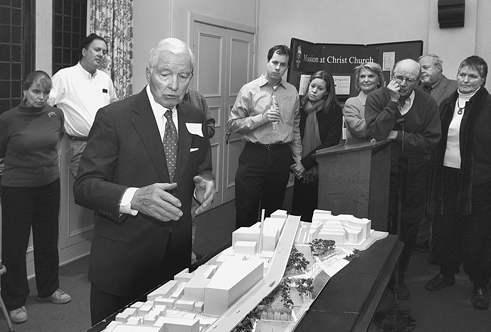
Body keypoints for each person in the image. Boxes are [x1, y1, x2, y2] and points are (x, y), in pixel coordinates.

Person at [73, 38, 215, 325]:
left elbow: (203, 166)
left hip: (175, 259)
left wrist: (207, 181)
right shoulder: (114, 117)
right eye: (165, 74)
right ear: (148, 72)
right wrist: (134, 198)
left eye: (183, 76)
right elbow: (85, 186)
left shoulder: (196, 117)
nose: (174, 84)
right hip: (123, 262)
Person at [365, 59, 441, 301]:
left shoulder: (428, 103)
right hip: (385, 170)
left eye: (410, 80)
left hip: (416, 173)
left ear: (418, 81)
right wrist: (392, 102)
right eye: (399, 78)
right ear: (391, 75)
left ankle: (399, 276)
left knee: (408, 226)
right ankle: (379, 275)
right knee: (382, 223)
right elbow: (376, 132)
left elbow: (431, 140)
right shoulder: (377, 98)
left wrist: (399, 135)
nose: (404, 84)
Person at [0, 71, 71, 324]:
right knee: (14, 247)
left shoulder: (56, 114)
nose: (41, 97)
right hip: (16, 189)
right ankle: (14, 301)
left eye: (45, 92)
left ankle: (49, 288)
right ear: (25, 91)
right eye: (35, 92)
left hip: (49, 186)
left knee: (47, 239)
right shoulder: (8, 119)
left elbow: (57, 141)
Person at [425, 55, 491, 310]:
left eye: (472, 76)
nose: (465, 80)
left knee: (477, 235)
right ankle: (446, 272)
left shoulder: (487, 106)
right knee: (445, 228)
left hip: (478, 182)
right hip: (447, 178)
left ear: (483, 79)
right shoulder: (448, 104)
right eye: (462, 74)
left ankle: (479, 283)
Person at [228, 45, 303, 229]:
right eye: (274, 62)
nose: (278, 68)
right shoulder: (250, 89)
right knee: (246, 209)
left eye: (283, 65)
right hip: (254, 156)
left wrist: (298, 159)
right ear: (267, 62)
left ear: (287, 67)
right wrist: (261, 119)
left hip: (281, 156)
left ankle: (270, 254)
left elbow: (295, 129)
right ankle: (243, 254)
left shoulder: (292, 92)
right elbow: (233, 124)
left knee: (275, 212)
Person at [49, 33, 118, 177]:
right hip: (80, 147)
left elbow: (114, 106)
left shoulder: (105, 79)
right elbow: (45, 104)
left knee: (107, 190)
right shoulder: (64, 76)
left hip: (107, 145)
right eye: (97, 50)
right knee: (88, 191)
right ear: (84, 51)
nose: (101, 55)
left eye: (104, 52)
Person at [414, 54, 458, 256]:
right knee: (422, 199)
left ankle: (439, 247)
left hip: (445, 154)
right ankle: (421, 240)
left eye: (425, 67)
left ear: (439, 68)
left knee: (441, 201)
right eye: (419, 68)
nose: (421, 72)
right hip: (419, 153)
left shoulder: (454, 87)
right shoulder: (416, 90)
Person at [291, 71, 342, 221]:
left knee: (316, 215)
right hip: (299, 168)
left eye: (320, 88)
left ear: (327, 92)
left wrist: (305, 163)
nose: (314, 91)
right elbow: (293, 135)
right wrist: (296, 163)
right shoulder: (300, 106)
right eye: (312, 86)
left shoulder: (334, 110)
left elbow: (331, 142)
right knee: (298, 214)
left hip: (321, 168)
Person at [183, 88, 215, 263]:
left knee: (191, 214)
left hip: (193, 165)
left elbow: (210, 125)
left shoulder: (197, 98)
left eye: (184, 75)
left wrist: (197, 134)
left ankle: (189, 256)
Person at [343, 62, 385, 145]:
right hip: (358, 154)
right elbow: (359, 130)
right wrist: (386, 119)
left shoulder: (388, 101)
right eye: (362, 76)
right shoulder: (352, 103)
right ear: (358, 81)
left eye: (371, 76)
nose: (366, 80)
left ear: (379, 80)